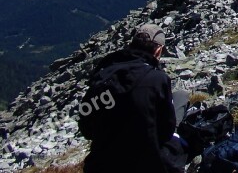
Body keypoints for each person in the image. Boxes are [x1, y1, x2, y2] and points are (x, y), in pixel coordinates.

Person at [79, 24, 188, 173]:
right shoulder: (157, 79)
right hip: (145, 164)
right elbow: (166, 130)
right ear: (158, 50)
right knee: (181, 96)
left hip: (101, 165)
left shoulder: (105, 75)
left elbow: (86, 126)